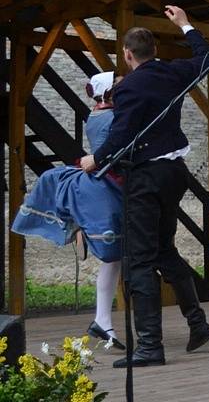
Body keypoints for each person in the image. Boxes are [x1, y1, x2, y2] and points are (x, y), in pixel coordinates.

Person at [80, 5, 209, 368]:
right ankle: (198, 324)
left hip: (147, 177)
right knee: (163, 251)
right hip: (175, 174)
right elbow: (205, 58)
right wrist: (186, 25)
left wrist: (95, 160)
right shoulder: (174, 73)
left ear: (127, 55)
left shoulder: (129, 89)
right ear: (154, 50)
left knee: (138, 260)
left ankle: (151, 347)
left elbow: (121, 136)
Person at [13, 71, 125, 350]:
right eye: (119, 87)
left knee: (114, 259)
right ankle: (103, 319)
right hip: (107, 186)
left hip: (107, 182)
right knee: (113, 255)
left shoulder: (98, 114)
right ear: (108, 93)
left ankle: (103, 320)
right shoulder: (109, 117)